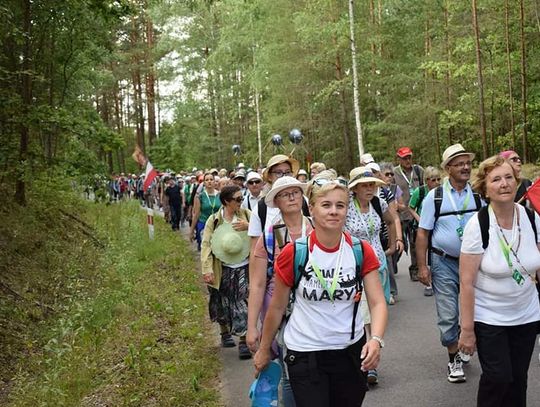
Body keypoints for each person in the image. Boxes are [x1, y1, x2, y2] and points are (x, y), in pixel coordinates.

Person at [253, 181, 388, 407]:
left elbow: (377, 303)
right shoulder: (294, 252)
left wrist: (376, 339)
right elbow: (277, 308)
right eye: (326, 205)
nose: (334, 211)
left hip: (350, 351)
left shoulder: (360, 250)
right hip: (306, 352)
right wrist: (264, 349)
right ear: (312, 208)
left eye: (340, 205)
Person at [458, 155, 540, 406]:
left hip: (526, 315)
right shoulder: (478, 225)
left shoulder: (531, 218)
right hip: (489, 317)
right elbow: (466, 283)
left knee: (518, 379)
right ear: (485, 188)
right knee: (498, 377)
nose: (504, 184)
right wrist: (467, 330)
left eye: (508, 178)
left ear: (517, 182)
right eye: (496, 179)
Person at [416, 143, 482, 383]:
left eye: (468, 163)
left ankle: (468, 342)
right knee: (447, 313)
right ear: (448, 169)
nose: (466, 167)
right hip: (444, 262)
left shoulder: (477, 194)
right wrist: (423, 266)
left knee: (476, 308)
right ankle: (453, 358)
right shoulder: (435, 198)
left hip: (475, 263)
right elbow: (423, 233)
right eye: (459, 163)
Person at [247, 176, 313, 407]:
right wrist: (251, 327)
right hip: (282, 311)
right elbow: (256, 284)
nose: (292, 197)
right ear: (276, 201)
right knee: (290, 369)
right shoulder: (268, 236)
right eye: (285, 194)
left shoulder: (318, 228)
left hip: (316, 307)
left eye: (295, 192)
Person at [345, 166, 396, 385]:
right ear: (354, 189)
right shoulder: (346, 207)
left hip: (380, 266)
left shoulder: (378, 203)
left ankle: (370, 352)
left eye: (372, 184)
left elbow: (391, 221)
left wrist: (394, 244)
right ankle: (368, 361)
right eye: (365, 185)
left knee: (378, 311)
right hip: (357, 268)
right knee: (365, 314)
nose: (370, 188)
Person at [201, 185, 252, 359]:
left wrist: (249, 226)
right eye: (237, 199)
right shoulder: (214, 221)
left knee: (242, 303)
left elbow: (262, 234)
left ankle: (244, 341)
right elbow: (206, 245)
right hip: (222, 269)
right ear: (225, 202)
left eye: (241, 198)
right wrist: (207, 269)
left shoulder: (247, 215)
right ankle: (224, 332)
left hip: (244, 267)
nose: (241, 202)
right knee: (221, 302)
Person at [408, 166, 442, 296]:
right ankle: (427, 283)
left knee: (434, 254)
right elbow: (410, 207)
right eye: (433, 180)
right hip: (422, 228)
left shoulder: (442, 191)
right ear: (427, 180)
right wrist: (419, 219)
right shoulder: (420, 191)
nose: (437, 182)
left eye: (439, 179)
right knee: (422, 252)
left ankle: (434, 280)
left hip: (436, 227)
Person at [393, 147, 424, 281]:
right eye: (404, 158)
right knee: (400, 244)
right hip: (400, 214)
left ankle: (415, 268)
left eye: (409, 157)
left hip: (416, 212)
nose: (407, 160)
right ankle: (392, 262)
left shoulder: (418, 170)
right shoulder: (394, 173)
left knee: (414, 242)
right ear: (399, 159)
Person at [190, 172, 221, 250]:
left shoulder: (220, 195)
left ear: (215, 182)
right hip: (204, 224)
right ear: (204, 183)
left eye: (211, 179)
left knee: (217, 249)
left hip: (217, 225)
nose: (209, 181)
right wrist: (191, 230)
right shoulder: (200, 196)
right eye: (207, 180)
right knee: (205, 249)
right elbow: (196, 214)